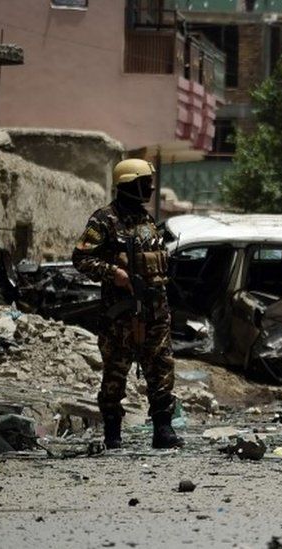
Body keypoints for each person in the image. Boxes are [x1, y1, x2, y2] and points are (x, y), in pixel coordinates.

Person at [71, 158, 184, 450]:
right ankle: (112, 433)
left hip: (155, 313)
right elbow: (81, 258)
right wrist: (114, 273)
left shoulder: (147, 221)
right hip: (119, 316)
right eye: (145, 183)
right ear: (129, 184)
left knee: (161, 370)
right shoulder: (104, 220)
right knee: (115, 374)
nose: (150, 188)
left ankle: (163, 430)